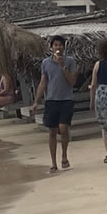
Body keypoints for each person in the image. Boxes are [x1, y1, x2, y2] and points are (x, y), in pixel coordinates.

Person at [33, 36, 78, 172]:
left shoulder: (70, 61)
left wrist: (63, 66)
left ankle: (64, 155)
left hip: (66, 99)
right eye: (56, 45)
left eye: (60, 45)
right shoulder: (45, 63)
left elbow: (72, 81)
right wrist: (36, 101)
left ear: (64, 47)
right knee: (52, 131)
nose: (58, 47)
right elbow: (43, 82)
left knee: (63, 129)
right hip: (51, 100)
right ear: (51, 47)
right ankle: (53, 162)